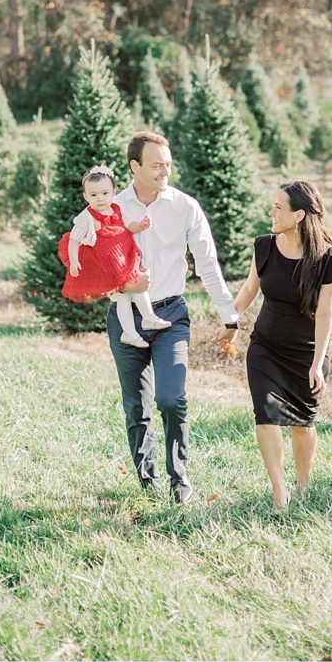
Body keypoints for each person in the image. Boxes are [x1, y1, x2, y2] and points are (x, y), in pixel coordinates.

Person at [107, 131, 239, 504]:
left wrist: (227, 313)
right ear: (134, 167)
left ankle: (179, 480)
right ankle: (147, 482)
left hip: (171, 315)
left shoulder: (185, 207)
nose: (165, 170)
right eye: (156, 164)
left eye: (168, 163)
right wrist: (114, 284)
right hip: (127, 319)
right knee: (136, 404)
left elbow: (208, 265)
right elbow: (96, 264)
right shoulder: (113, 209)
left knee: (171, 397)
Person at [214, 180, 332, 512]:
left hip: (306, 353)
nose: (271, 213)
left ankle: (304, 486)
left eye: (278, 208)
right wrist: (231, 323)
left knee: (302, 425)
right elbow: (250, 288)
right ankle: (280, 493)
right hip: (265, 347)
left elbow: (325, 314)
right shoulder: (264, 246)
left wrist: (318, 363)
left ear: (300, 215)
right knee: (266, 415)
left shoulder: (329, 261)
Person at [58, 164, 171, 348]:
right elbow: (74, 240)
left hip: (125, 258)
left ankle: (147, 318)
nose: (100, 198)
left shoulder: (117, 209)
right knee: (122, 298)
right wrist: (75, 261)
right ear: (86, 196)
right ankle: (130, 332)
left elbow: (129, 226)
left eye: (104, 193)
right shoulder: (86, 216)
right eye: (93, 195)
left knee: (137, 286)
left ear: (113, 192)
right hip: (107, 267)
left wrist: (140, 225)